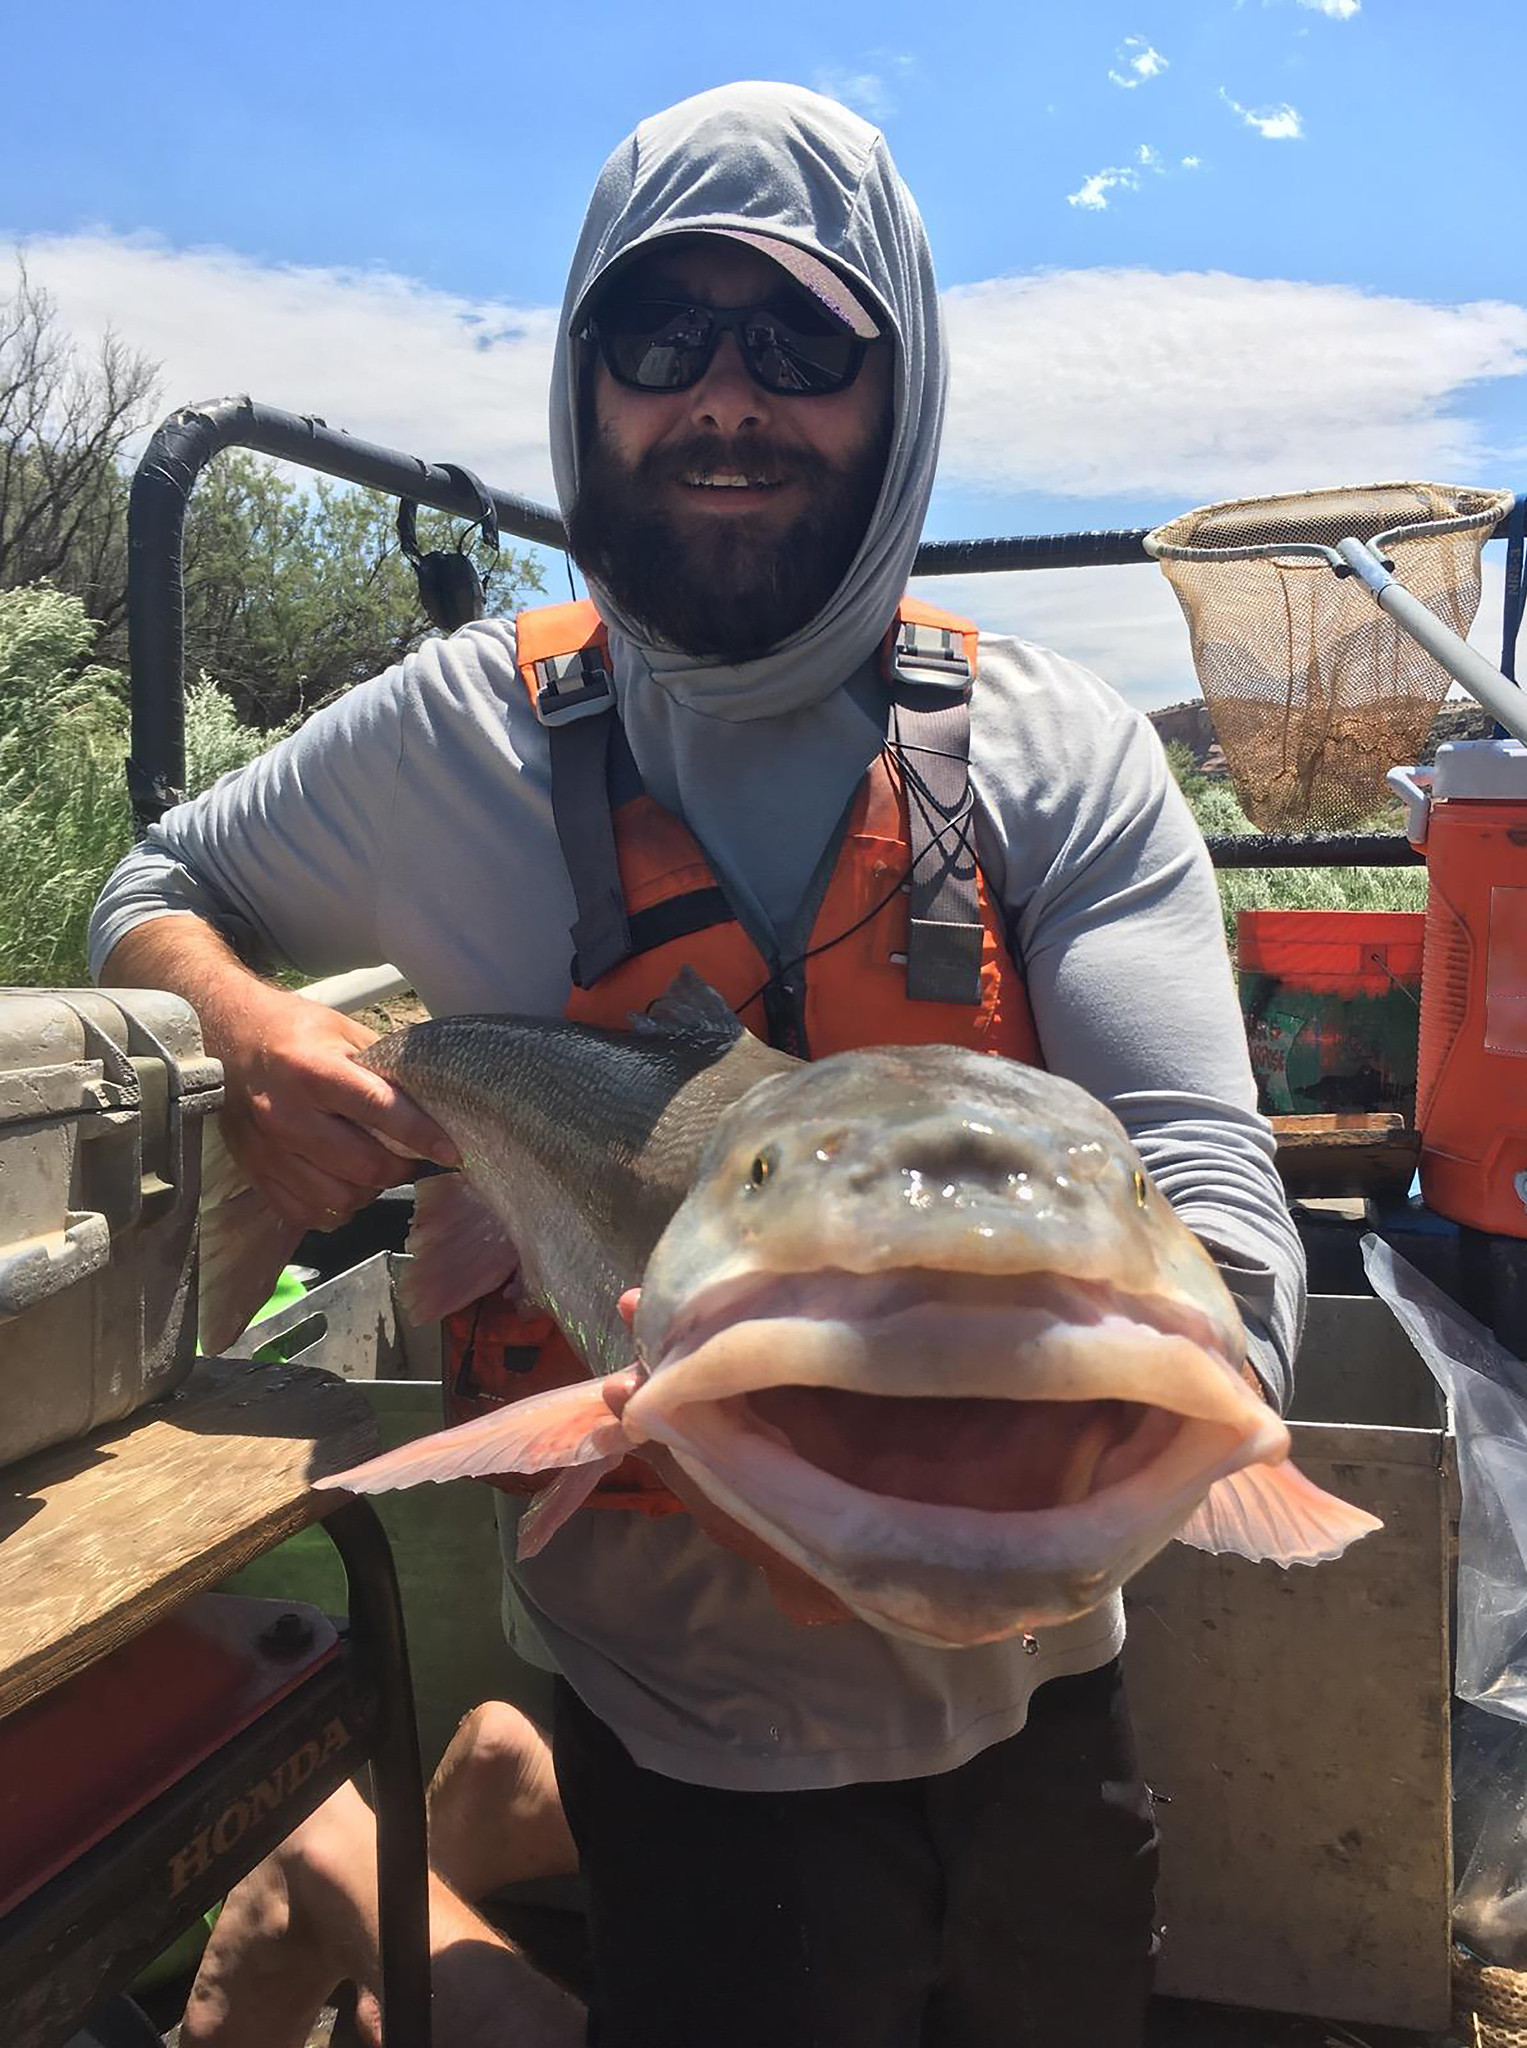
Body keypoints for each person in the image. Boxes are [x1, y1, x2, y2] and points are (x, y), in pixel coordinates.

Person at [92, 79, 1305, 2047]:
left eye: (802, 342)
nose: (725, 398)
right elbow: (155, 886)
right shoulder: (442, 737)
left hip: (1044, 1696)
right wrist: (247, 1032)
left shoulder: (1063, 758)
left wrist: (1177, 1404)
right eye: (659, 337)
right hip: (672, 1721)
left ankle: (412, 1834)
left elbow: (1214, 1211)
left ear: (900, 388)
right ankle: (366, 1858)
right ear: (584, 386)